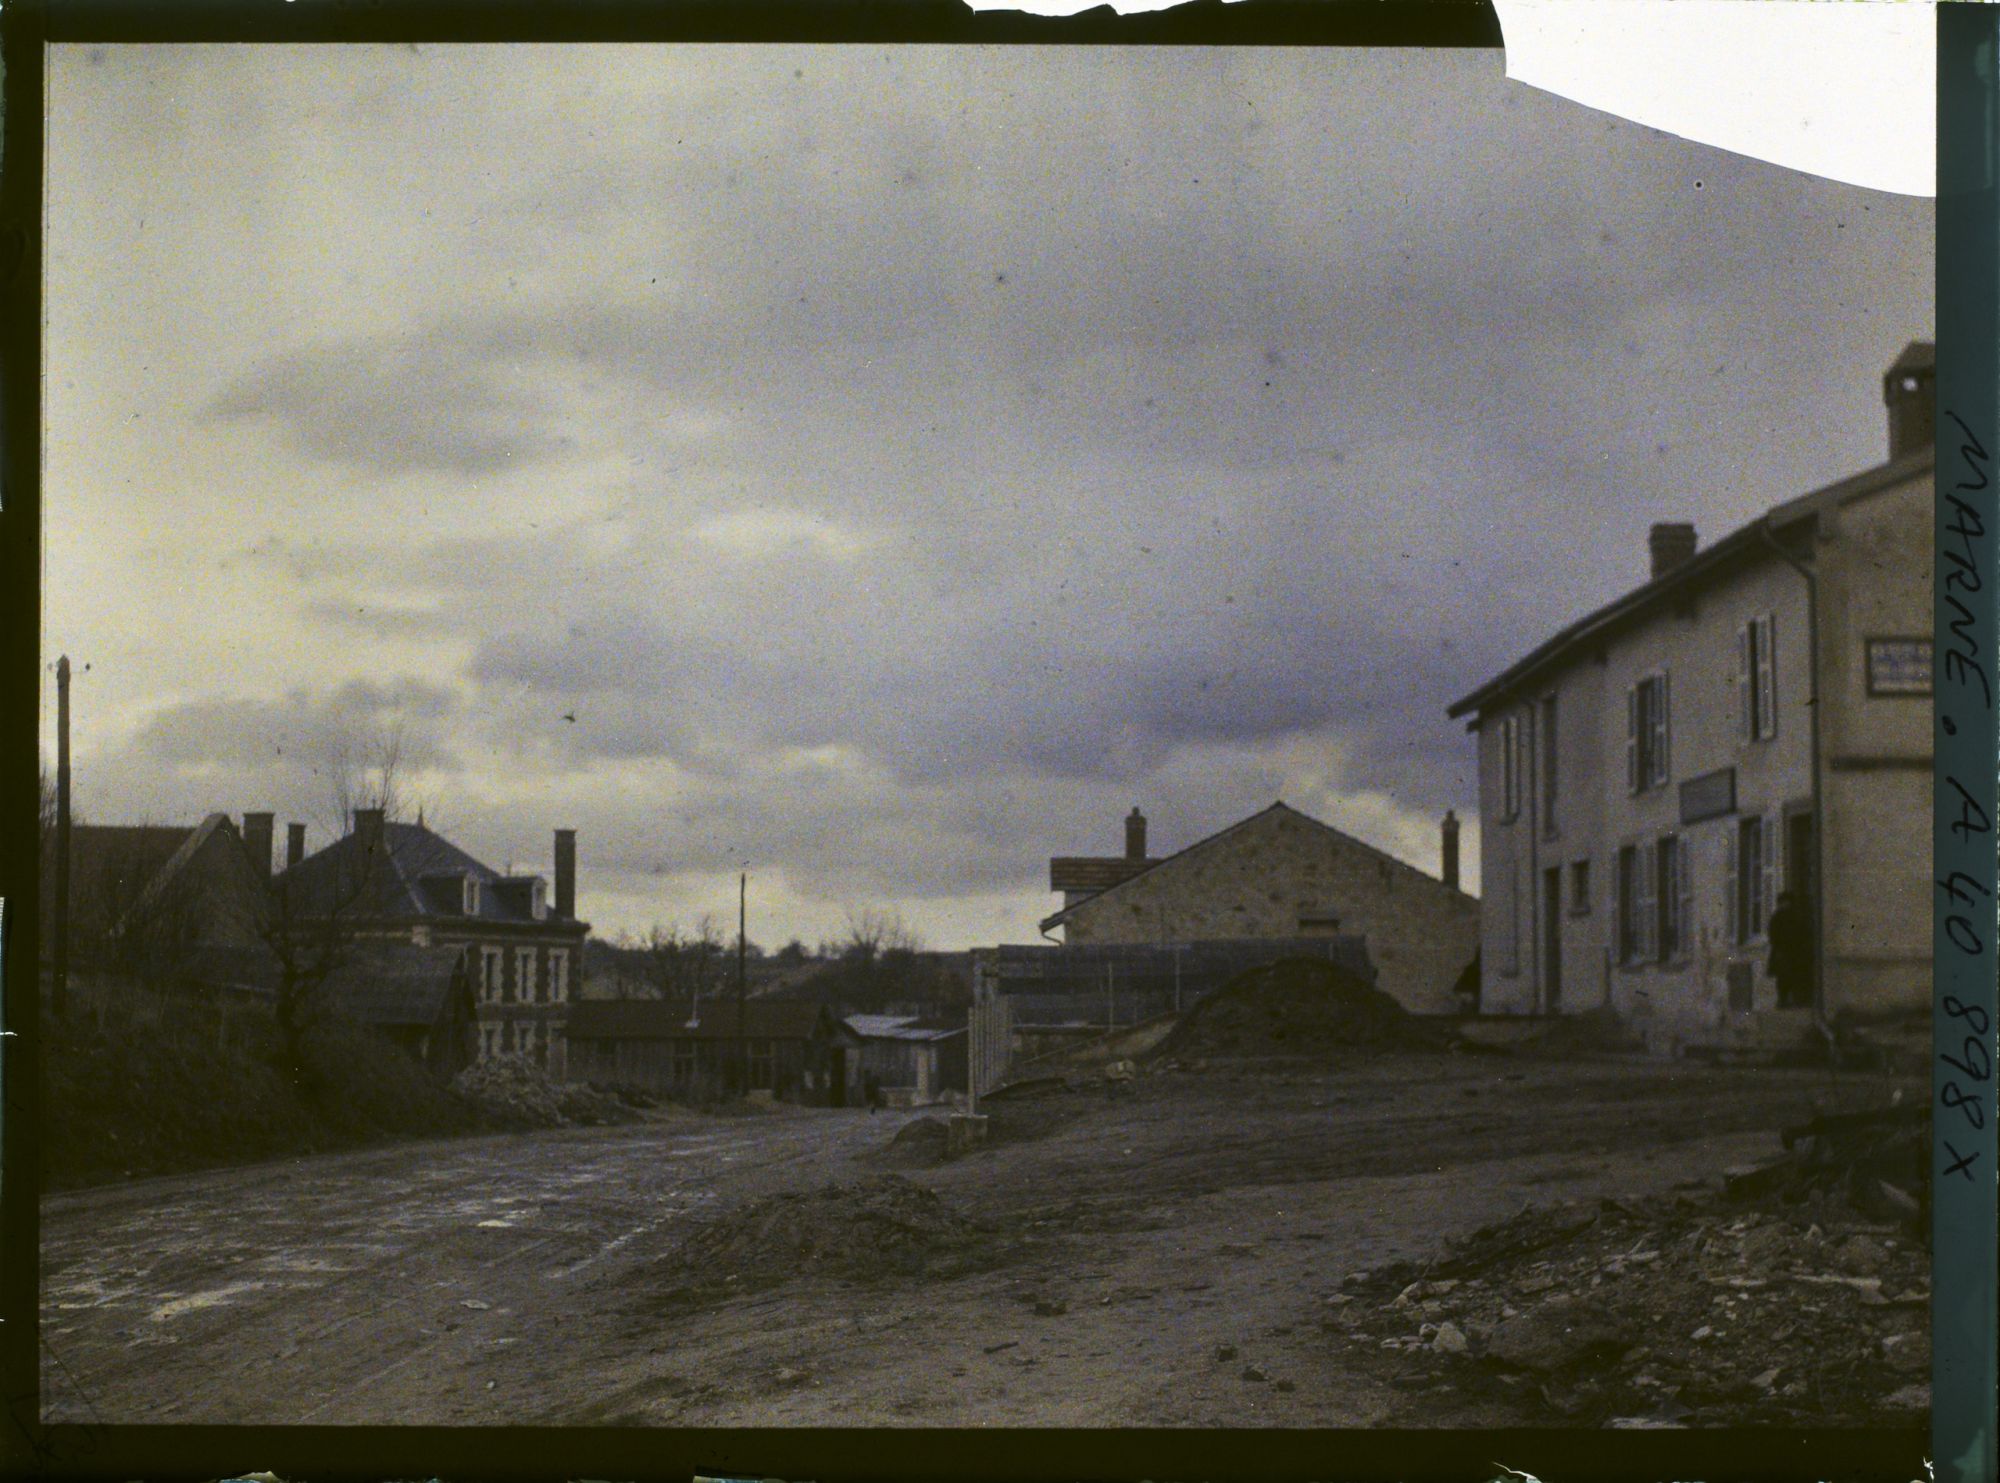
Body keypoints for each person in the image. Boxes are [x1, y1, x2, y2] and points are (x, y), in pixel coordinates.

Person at [1766, 890, 1814, 1009]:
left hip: (1796, 952)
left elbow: (1804, 933)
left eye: (1786, 902)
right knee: (1783, 978)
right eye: (1782, 902)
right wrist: (1778, 948)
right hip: (1782, 952)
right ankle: (1783, 1000)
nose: (1784, 905)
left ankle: (1797, 1000)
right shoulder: (1777, 917)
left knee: (1797, 976)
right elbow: (1773, 934)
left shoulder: (1797, 916)